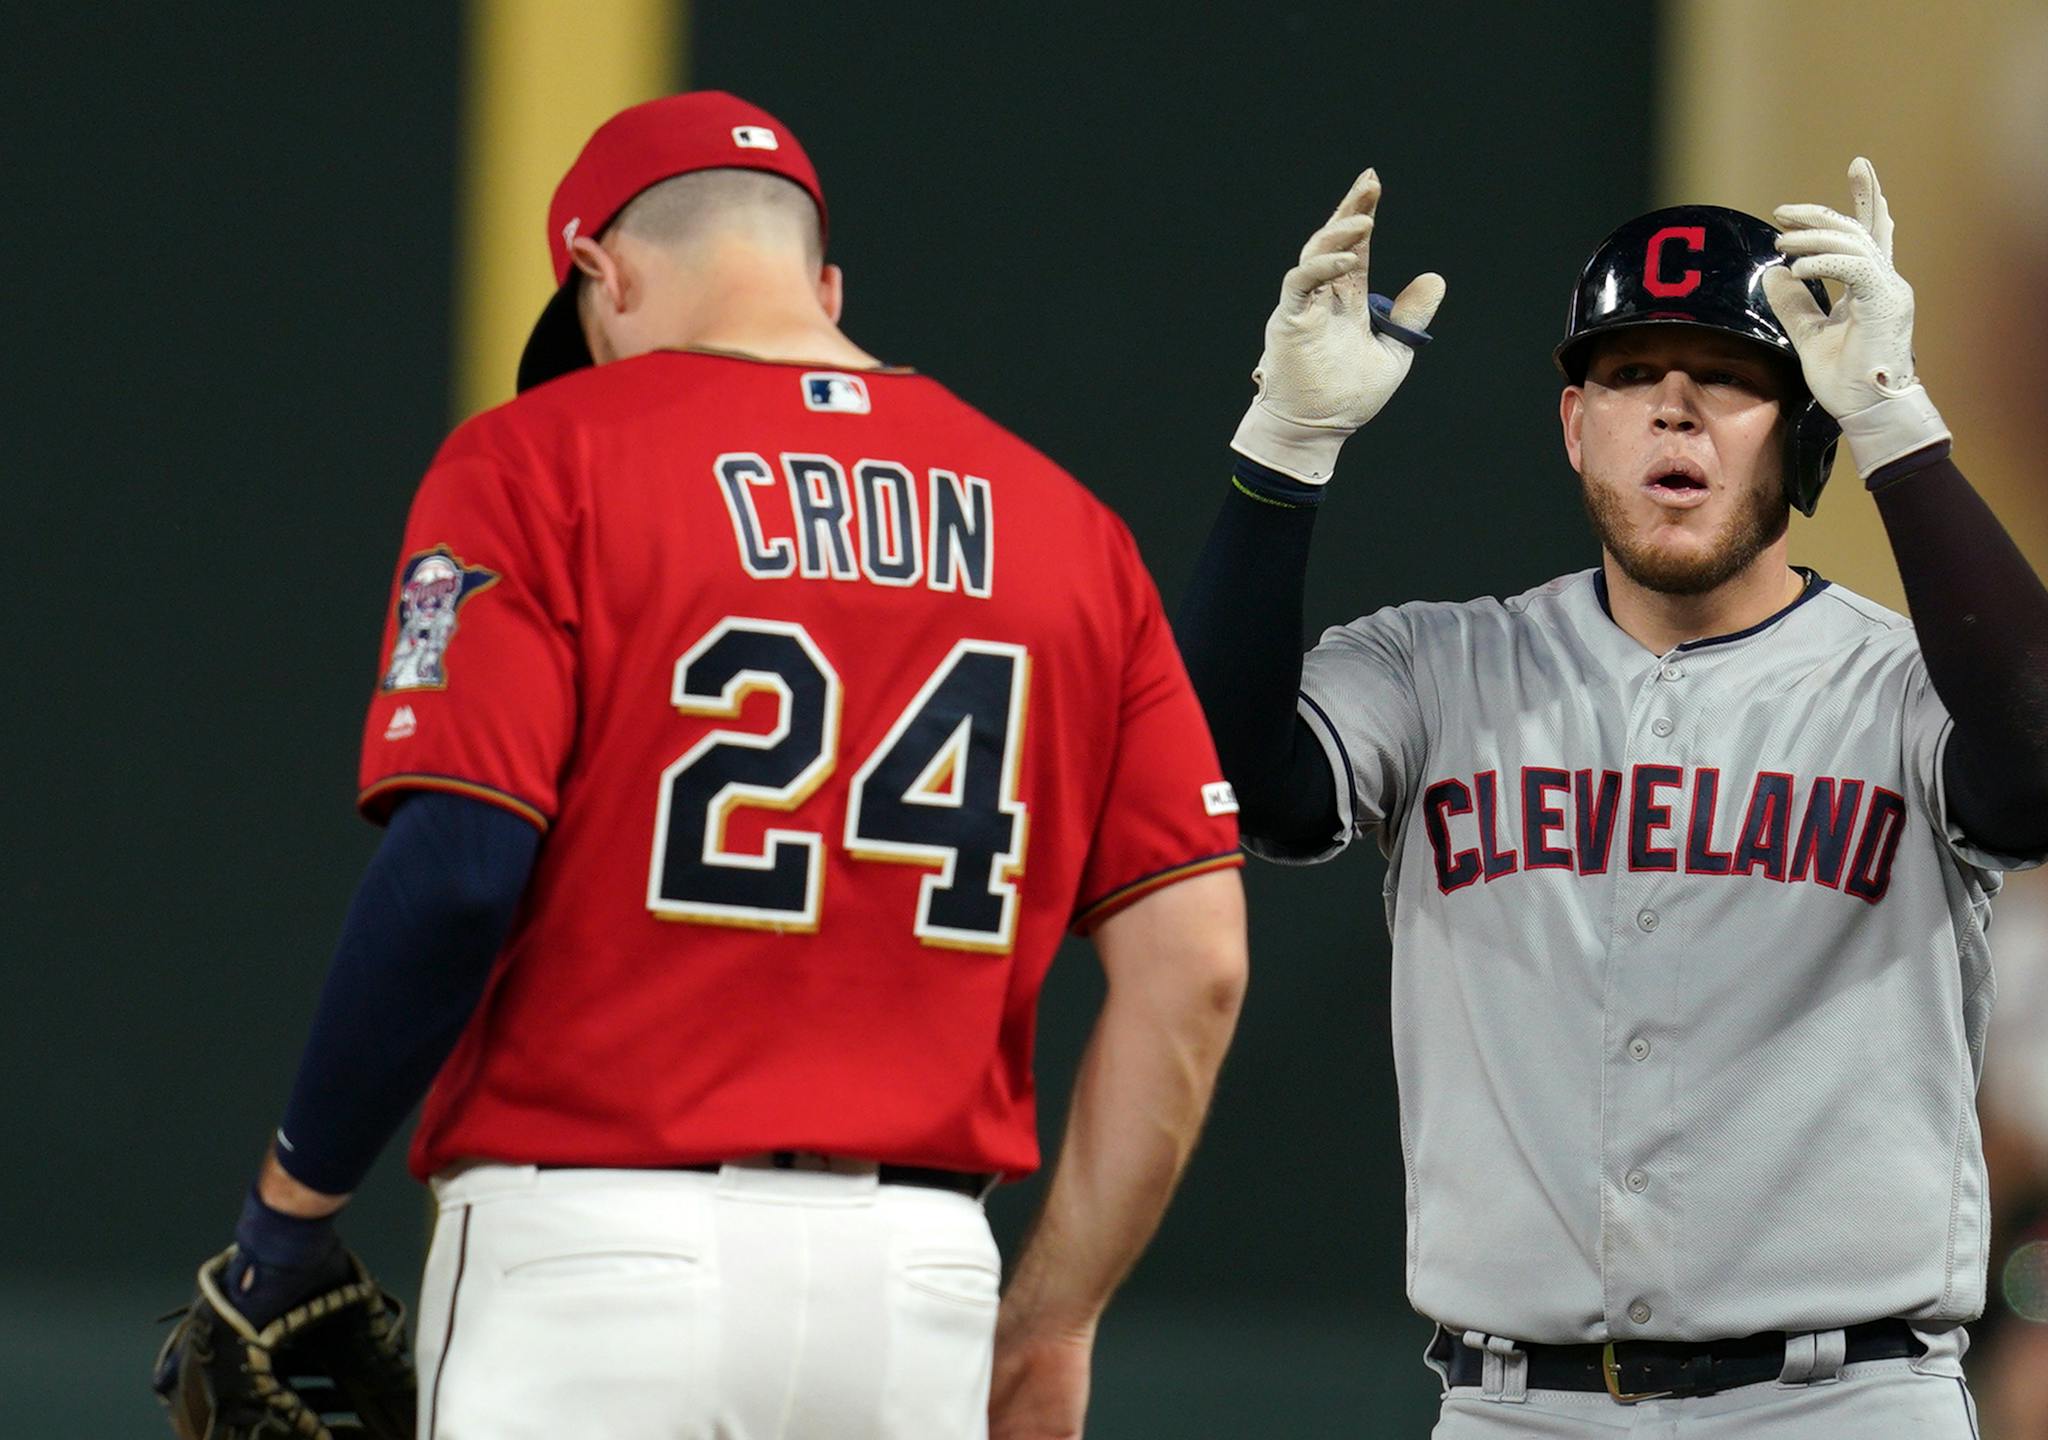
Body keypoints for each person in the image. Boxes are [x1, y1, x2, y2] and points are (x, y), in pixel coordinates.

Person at [155, 90, 1248, 1440]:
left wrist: (288, 1218)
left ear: (600, 273)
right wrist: (1054, 1319)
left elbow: (453, 876)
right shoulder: (1072, 530)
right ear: (823, 282)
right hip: (915, 1289)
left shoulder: (539, 455)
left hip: (589, 1261)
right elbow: (1197, 963)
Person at [1175, 161, 2048, 1436]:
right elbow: (1231, 782)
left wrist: (1894, 415)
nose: (1676, 409)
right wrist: (1284, 444)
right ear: (1574, 427)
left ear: (1802, 424)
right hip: (1516, 1406)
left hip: (1846, 1401)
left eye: (1727, 378)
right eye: (1628, 377)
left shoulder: (1902, 686)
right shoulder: (1441, 669)